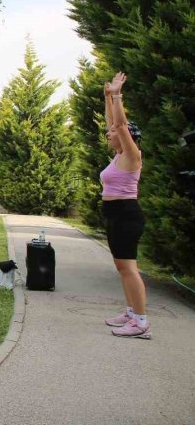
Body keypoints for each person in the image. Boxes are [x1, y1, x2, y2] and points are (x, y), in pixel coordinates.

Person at [100, 72, 150, 339]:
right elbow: (114, 122)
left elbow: (120, 125)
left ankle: (141, 322)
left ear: (126, 137)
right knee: (122, 267)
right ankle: (131, 312)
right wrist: (108, 97)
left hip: (127, 215)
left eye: (113, 132)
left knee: (129, 268)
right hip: (116, 216)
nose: (109, 134)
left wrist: (118, 95)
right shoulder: (118, 155)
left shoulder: (132, 155)